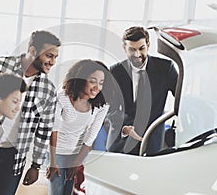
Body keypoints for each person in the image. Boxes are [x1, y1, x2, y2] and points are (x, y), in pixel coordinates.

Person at [0, 30, 61, 195]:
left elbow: (43, 131)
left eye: (55, 57)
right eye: (49, 56)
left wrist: (36, 165)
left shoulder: (48, 90)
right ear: (32, 51)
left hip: (14, 157)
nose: (52, 62)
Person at [106, 26, 178, 155]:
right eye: (132, 49)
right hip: (122, 141)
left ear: (148, 45)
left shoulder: (166, 68)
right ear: (124, 48)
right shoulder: (115, 71)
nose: (137, 54)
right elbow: (110, 108)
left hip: (153, 140)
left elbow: (182, 98)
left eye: (141, 48)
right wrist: (124, 127)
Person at [46, 59, 110, 195]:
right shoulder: (63, 95)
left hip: (78, 153)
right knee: (56, 191)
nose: (97, 87)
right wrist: (52, 161)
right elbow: (53, 128)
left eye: (101, 83)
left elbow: (91, 134)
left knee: (69, 191)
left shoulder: (102, 105)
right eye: (93, 81)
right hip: (57, 151)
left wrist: (77, 162)